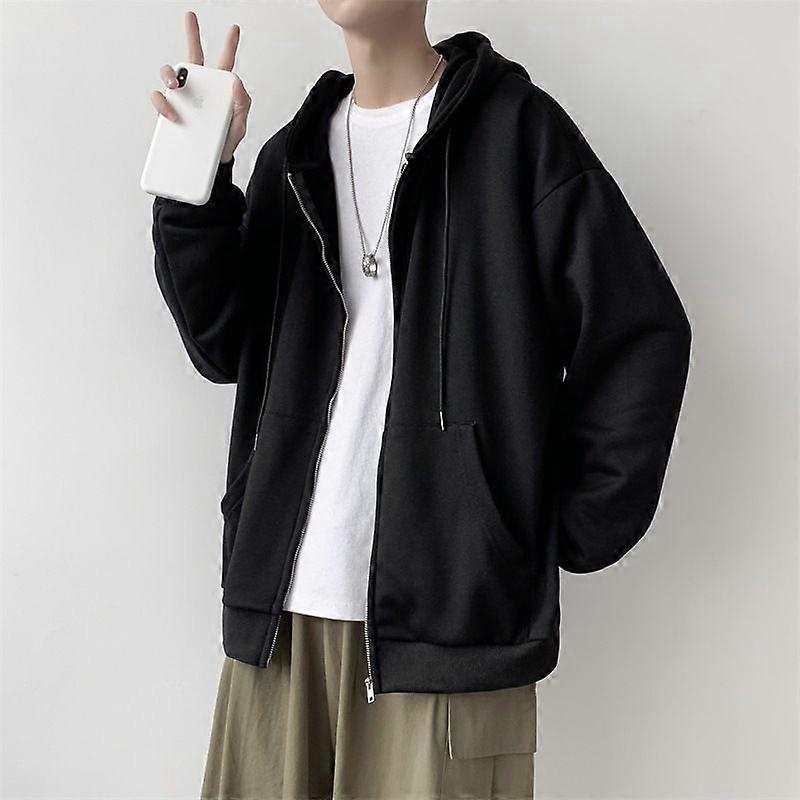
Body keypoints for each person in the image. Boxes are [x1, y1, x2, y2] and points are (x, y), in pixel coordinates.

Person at [148, 2, 692, 797]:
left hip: (449, 630)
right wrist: (195, 175)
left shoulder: (519, 136)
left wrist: (534, 528)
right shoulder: (292, 157)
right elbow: (224, 346)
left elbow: (640, 333)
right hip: (280, 628)